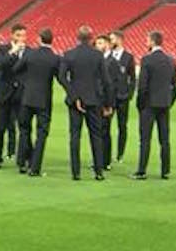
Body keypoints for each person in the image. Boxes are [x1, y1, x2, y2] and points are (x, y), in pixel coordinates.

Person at [57, 26, 112, 181]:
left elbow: (61, 77)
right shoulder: (98, 55)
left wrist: (74, 96)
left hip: (75, 102)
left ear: (77, 37)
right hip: (94, 100)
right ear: (91, 38)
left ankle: (76, 172)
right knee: (96, 136)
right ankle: (99, 171)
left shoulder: (69, 54)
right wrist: (108, 104)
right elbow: (106, 81)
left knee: (75, 136)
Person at [131, 30, 176, 181]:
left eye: (147, 40)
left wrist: (140, 104)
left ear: (152, 42)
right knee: (164, 139)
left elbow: (142, 86)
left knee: (145, 139)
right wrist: (169, 101)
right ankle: (165, 171)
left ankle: (141, 170)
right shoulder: (171, 60)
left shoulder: (147, 60)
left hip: (149, 104)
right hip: (164, 104)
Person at [13, 28, 59, 178]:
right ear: (52, 41)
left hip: (27, 98)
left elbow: (16, 69)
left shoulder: (30, 54)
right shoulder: (55, 58)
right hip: (44, 100)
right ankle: (35, 167)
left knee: (24, 130)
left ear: (40, 39)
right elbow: (61, 78)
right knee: (41, 134)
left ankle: (21, 162)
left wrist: (25, 81)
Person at [0, 25, 25, 167]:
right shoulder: (3, 49)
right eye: (19, 35)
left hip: (19, 95)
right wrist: (12, 52)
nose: (22, 38)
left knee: (22, 127)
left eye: (23, 35)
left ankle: (22, 159)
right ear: (13, 36)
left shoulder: (27, 51)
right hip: (3, 94)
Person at [108, 31, 136, 164]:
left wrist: (129, 94)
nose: (110, 41)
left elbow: (132, 78)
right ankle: (105, 154)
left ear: (119, 40)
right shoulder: (107, 56)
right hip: (109, 97)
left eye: (112, 39)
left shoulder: (128, 57)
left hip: (123, 97)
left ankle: (120, 154)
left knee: (122, 126)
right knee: (105, 126)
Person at [98, 34, 121, 170]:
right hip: (97, 101)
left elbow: (113, 86)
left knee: (105, 131)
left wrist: (110, 105)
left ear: (107, 44)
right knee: (98, 131)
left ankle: (106, 161)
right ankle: (99, 159)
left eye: (100, 43)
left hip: (106, 102)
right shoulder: (98, 60)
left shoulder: (112, 62)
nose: (97, 46)